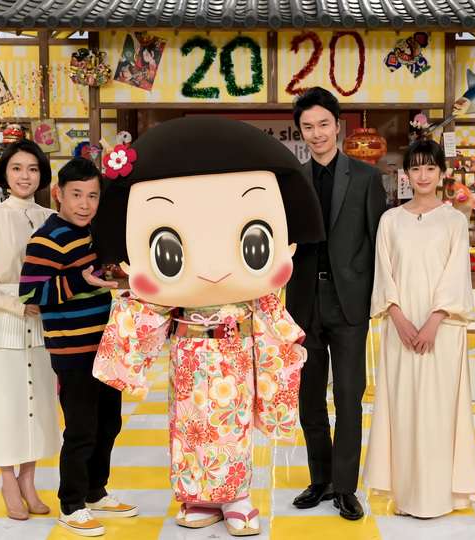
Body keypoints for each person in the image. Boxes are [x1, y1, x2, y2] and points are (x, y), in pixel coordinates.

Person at [90, 117, 325, 537]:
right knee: (189, 425)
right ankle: (196, 495)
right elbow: (147, 311)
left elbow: (276, 323)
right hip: (188, 351)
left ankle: (236, 496)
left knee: (234, 427)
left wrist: (284, 350)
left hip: (236, 352)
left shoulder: (253, 294)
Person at [19, 158, 137, 537]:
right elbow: (31, 294)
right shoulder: (47, 238)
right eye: (76, 195)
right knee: (82, 428)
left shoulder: (93, 233)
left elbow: (99, 276)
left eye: (92, 196)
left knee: (110, 423)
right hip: (72, 350)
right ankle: (71, 505)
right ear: (59, 194)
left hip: (105, 347)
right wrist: (80, 280)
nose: (85, 204)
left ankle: (95, 491)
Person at [363, 139, 475, 517]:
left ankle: (441, 496)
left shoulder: (454, 220)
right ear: (406, 175)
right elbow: (384, 272)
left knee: (439, 409)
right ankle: (407, 494)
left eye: (430, 167)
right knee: (403, 408)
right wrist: (397, 318)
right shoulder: (390, 220)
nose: (423, 175)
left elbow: (456, 273)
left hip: (442, 331)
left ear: (442, 173)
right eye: (416, 168)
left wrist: (434, 321)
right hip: (400, 329)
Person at [286, 87, 387, 520]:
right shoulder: (291, 181)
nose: (317, 134)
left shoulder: (366, 178)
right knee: (309, 396)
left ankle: (345, 487)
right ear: (300, 131)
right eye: (308, 127)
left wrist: (375, 298)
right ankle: (321, 479)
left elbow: (378, 243)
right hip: (304, 301)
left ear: (338, 126)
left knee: (348, 396)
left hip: (349, 303)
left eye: (323, 124)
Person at [0, 139, 60, 521]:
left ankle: (28, 481)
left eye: (32, 169)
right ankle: (7, 481)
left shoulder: (51, 218)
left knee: (38, 404)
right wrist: (13, 305)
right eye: (17, 168)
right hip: (0, 323)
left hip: (42, 323)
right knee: (6, 405)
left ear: (41, 175)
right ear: (4, 173)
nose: (25, 176)